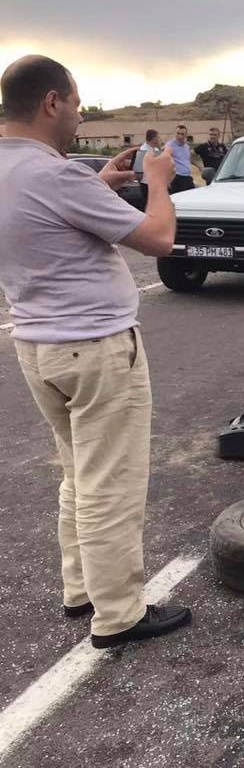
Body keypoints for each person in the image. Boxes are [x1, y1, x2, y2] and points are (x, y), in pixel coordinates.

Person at [0, 55, 191, 649]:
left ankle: (81, 588)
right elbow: (159, 238)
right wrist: (158, 183)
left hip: (37, 348)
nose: (80, 116)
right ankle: (119, 614)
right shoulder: (59, 176)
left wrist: (99, 186)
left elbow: (39, 218)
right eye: (77, 103)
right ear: (51, 102)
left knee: (79, 474)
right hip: (96, 350)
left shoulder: (22, 172)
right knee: (112, 483)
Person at [167, 124, 195, 193]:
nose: (180, 136)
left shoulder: (186, 146)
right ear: (175, 133)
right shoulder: (169, 145)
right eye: (178, 133)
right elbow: (165, 162)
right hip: (176, 178)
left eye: (182, 134)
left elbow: (187, 160)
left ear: (186, 135)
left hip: (188, 177)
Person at [136, 128, 161, 203]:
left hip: (155, 183)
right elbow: (138, 171)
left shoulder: (156, 150)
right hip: (146, 184)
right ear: (153, 139)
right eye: (158, 137)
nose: (159, 139)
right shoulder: (142, 150)